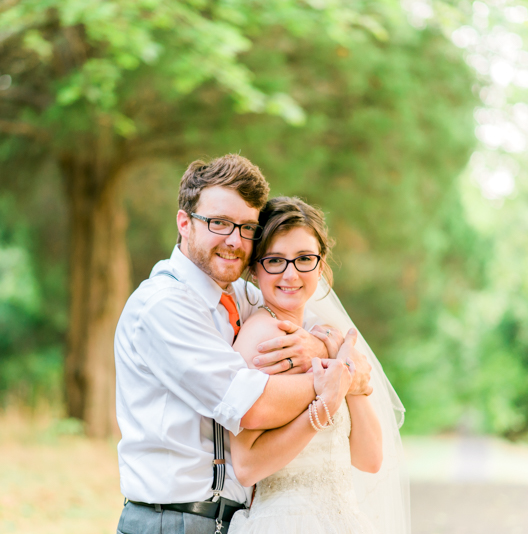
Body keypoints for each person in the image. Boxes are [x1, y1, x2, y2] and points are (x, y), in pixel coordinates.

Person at [114, 155, 373, 534]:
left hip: (234, 521)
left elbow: (306, 329)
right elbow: (250, 406)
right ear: (184, 223)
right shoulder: (163, 306)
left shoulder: (244, 297)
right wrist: (335, 380)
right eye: (219, 223)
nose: (235, 240)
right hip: (169, 521)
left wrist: (325, 353)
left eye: (247, 227)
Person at [227, 197, 410, 534]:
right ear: (254, 268)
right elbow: (246, 466)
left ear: (321, 265)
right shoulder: (263, 340)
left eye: (304, 259)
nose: (290, 274)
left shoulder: (327, 338)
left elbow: (370, 458)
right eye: (275, 261)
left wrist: (345, 370)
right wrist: (323, 407)